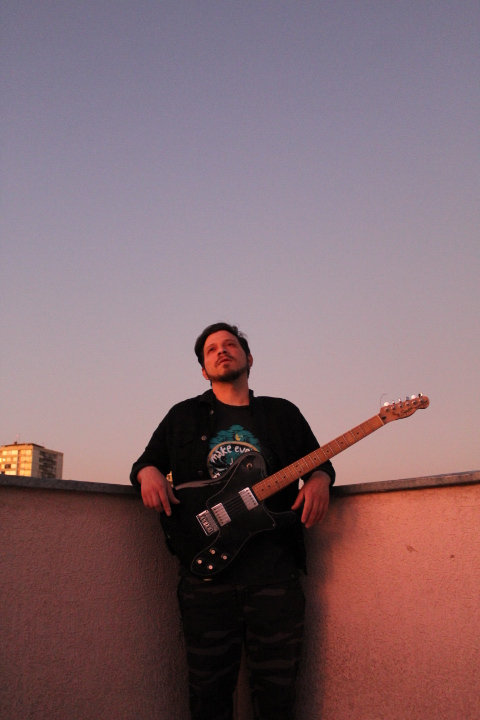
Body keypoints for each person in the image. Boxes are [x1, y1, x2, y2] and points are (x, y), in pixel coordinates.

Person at [130, 322, 335, 720]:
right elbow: (146, 462)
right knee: (208, 693)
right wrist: (148, 473)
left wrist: (321, 479)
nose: (221, 351)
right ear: (203, 370)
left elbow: (318, 461)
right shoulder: (183, 416)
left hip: (275, 574)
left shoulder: (282, 413)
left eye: (230, 345)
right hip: (205, 577)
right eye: (211, 350)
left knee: (278, 696)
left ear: (249, 358)